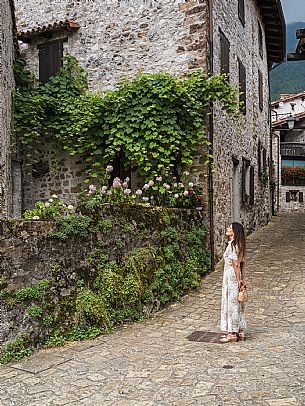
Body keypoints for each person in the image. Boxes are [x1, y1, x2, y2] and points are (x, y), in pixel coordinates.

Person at [220, 222, 246, 343]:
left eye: (229, 228)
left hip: (231, 276)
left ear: (234, 232)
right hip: (236, 276)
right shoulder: (241, 245)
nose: (227, 229)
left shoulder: (232, 245)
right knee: (238, 304)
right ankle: (240, 331)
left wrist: (238, 280)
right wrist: (242, 279)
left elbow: (236, 265)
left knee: (231, 304)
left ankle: (231, 333)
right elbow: (243, 263)